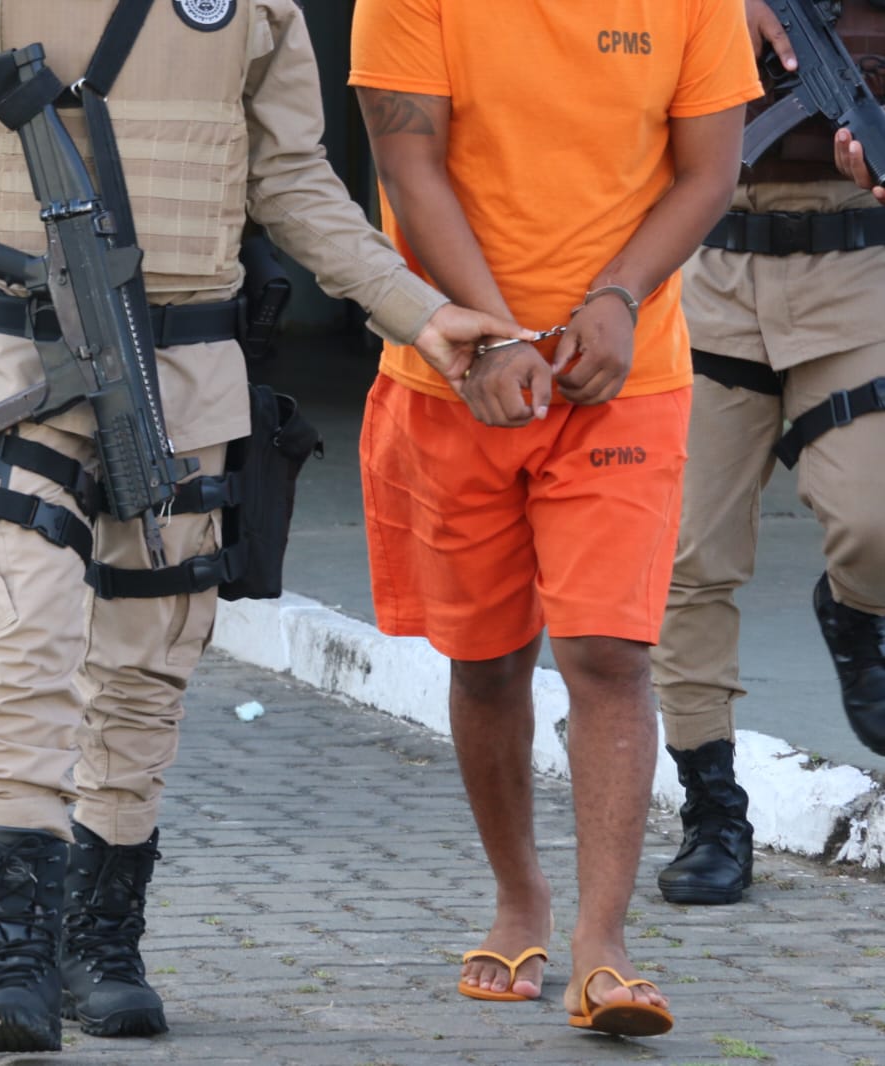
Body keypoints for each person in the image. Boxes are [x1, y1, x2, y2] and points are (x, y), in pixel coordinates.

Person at [0, 0, 528, 1053]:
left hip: (191, 372)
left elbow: (291, 179)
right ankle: (15, 956)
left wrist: (416, 314)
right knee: (21, 645)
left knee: (148, 666)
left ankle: (101, 942)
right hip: (23, 359)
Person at [349, 0, 762, 1038]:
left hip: (623, 377)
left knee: (608, 652)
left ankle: (602, 944)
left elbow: (708, 171)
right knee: (488, 659)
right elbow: (407, 162)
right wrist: (490, 338)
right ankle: (518, 897)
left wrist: (619, 295)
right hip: (454, 377)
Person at [650, 0, 885, 909]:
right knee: (686, 561)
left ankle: (858, 616)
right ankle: (712, 811)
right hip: (706, 276)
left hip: (857, 275)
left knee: (872, 519)